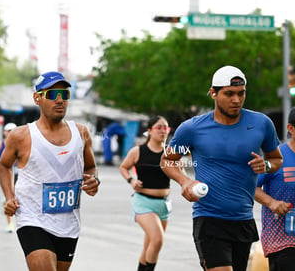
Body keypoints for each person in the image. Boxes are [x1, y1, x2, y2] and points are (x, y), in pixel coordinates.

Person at [160, 65, 283, 271]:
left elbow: (276, 160)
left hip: (243, 219)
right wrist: (185, 181)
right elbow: (167, 160)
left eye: (241, 93)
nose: (236, 99)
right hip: (209, 218)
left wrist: (266, 165)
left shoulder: (261, 124)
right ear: (213, 93)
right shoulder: (192, 129)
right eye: (229, 94)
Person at [0, 71, 100, 271]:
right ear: (37, 98)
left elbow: (90, 166)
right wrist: (9, 197)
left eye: (65, 94)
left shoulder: (81, 132)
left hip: (69, 222)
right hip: (32, 219)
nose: (60, 100)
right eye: (53, 95)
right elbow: (4, 165)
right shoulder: (21, 135)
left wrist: (93, 180)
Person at [120, 115, 173, 271]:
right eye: (159, 127)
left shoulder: (170, 152)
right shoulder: (138, 151)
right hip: (143, 202)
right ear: (149, 131)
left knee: (149, 245)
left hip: (164, 204)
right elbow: (124, 167)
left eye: (166, 128)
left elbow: (179, 173)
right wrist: (131, 180)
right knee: (157, 240)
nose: (163, 131)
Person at [255, 105, 295, 271]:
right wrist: (272, 202)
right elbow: (250, 185)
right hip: (282, 241)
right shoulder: (276, 157)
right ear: (291, 128)